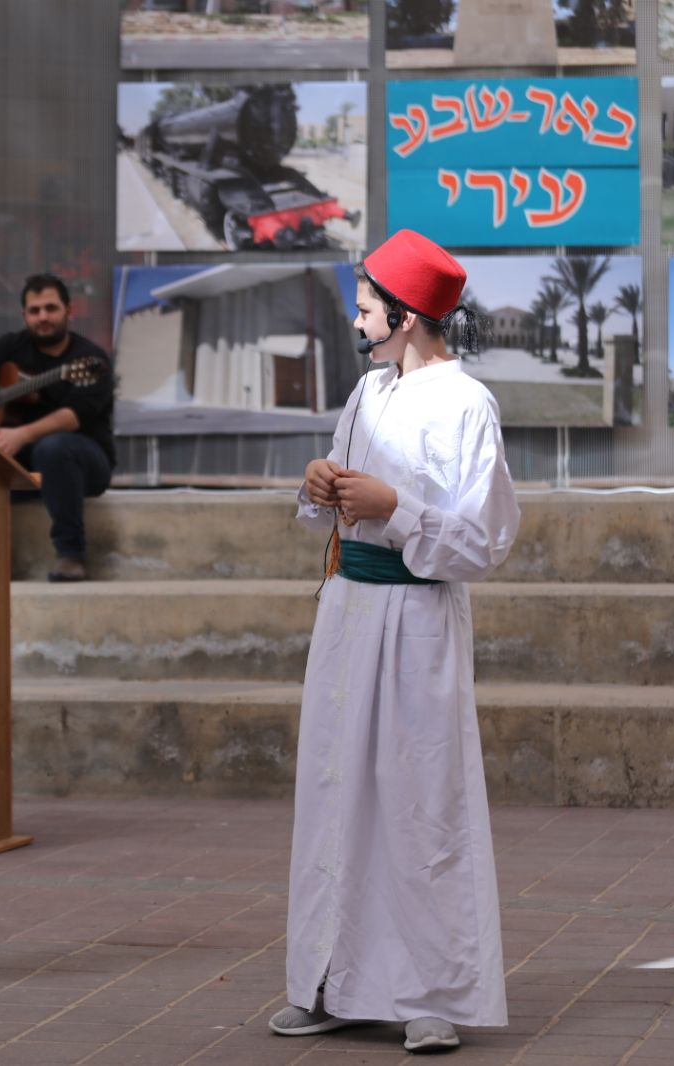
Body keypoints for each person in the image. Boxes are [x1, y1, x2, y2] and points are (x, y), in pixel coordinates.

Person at [269, 229, 519, 1052]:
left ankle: (431, 994)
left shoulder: (466, 404)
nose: (358, 314)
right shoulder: (367, 393)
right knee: (335, 791)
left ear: (407, 315)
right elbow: (337, 501)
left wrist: (396, 509)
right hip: (347, 615)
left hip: (416, 621)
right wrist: (320, 487)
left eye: (369, 303)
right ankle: (328, 979)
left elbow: (483, 543)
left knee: (420, 801)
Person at [0, 273, 114, 582]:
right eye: (35, 310)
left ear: (69, 311)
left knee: (54, 447)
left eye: (51, 308)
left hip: (84, 459)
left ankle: (71, 555)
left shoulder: (90, 360)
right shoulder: (11, 346)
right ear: (24, 315)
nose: (43, 317)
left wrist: (22, 434)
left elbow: (74, 415)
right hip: (17, 453)